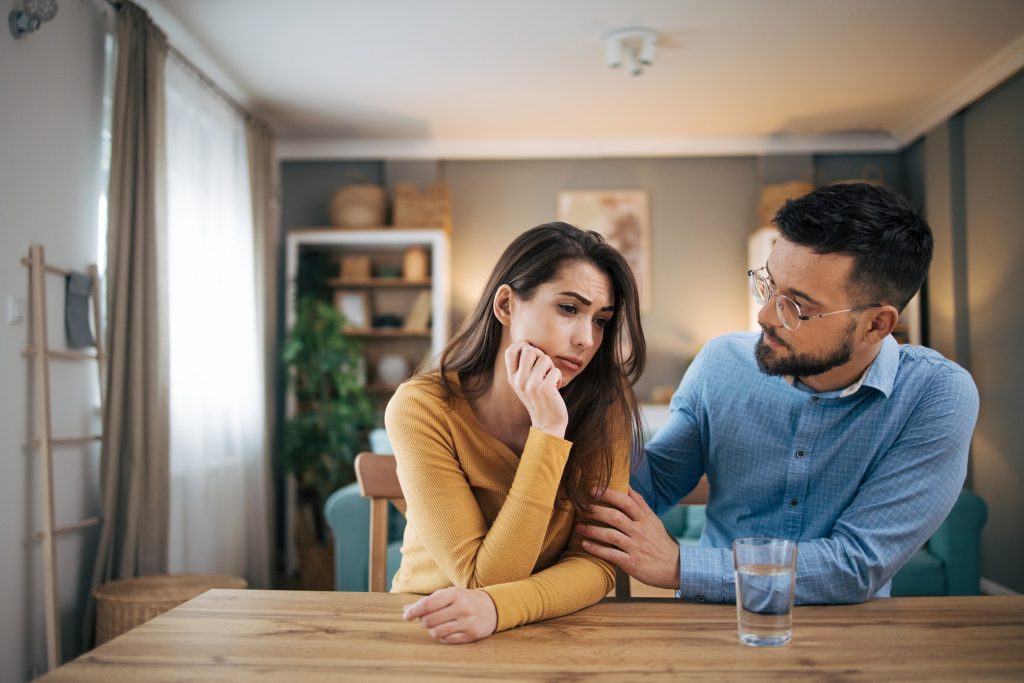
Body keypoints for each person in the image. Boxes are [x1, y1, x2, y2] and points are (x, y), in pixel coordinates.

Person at [578, 183, 979, 604]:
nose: (765, 315)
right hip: (712, 625)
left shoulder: (936, 396)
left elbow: (857, 563)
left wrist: (680, 566)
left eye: (798, 307)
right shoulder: (722, 364)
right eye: (768, 284)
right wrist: (597, 397)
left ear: (877, 325)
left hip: (852, 639)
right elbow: (655, 482)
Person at [385, 222, 645, 643]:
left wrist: (501, 608)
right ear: (505, 304)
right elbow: (480, 579)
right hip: (433, 624)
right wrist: (548, 432)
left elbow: (596, 564)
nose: (585, 339)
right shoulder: (422, 407)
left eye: (600, 320)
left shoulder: (603, 404)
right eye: (568, 309)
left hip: (550, 628)